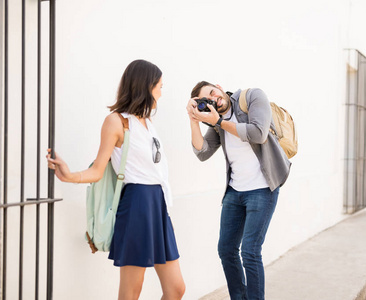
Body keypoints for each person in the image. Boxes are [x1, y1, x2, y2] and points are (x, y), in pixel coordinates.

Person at [47, 59, 185, 300]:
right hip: (137, 206)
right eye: (160, 86)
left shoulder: (148, 123)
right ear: (146, 85)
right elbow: (99, 169)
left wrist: (164, 212)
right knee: (132, 292)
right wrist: (70, 176)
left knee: (176, 288)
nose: (162, 92)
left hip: (158, 205)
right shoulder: (117, 121)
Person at [186, 82, 291, 300]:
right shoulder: (216, 121)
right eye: (208, 100)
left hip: (262, 189)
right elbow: (203, 152)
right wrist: (194, 120)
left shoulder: (252, 97)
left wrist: (219, 122)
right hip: (234, 192)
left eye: (213, 92)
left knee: (250, 252)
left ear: (219, 86)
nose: (214, 99)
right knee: (226, 250)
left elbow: (258, 133)